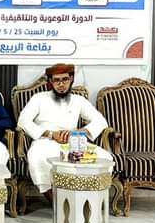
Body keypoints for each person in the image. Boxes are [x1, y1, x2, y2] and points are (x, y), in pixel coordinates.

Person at [17, 63, 112, 198]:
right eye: (57, 80)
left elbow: (101, 121)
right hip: (45, 141)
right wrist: (51, 134)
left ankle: (85, 197)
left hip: (73, 142)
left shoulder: (79, 100)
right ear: (51, 81)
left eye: (65, 79)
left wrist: (79, 132)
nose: (61, 84)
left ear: (71, 79)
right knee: (38, 157)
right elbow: (23, 121)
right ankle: (55, 201)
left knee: (105, 157)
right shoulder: (39, 98)